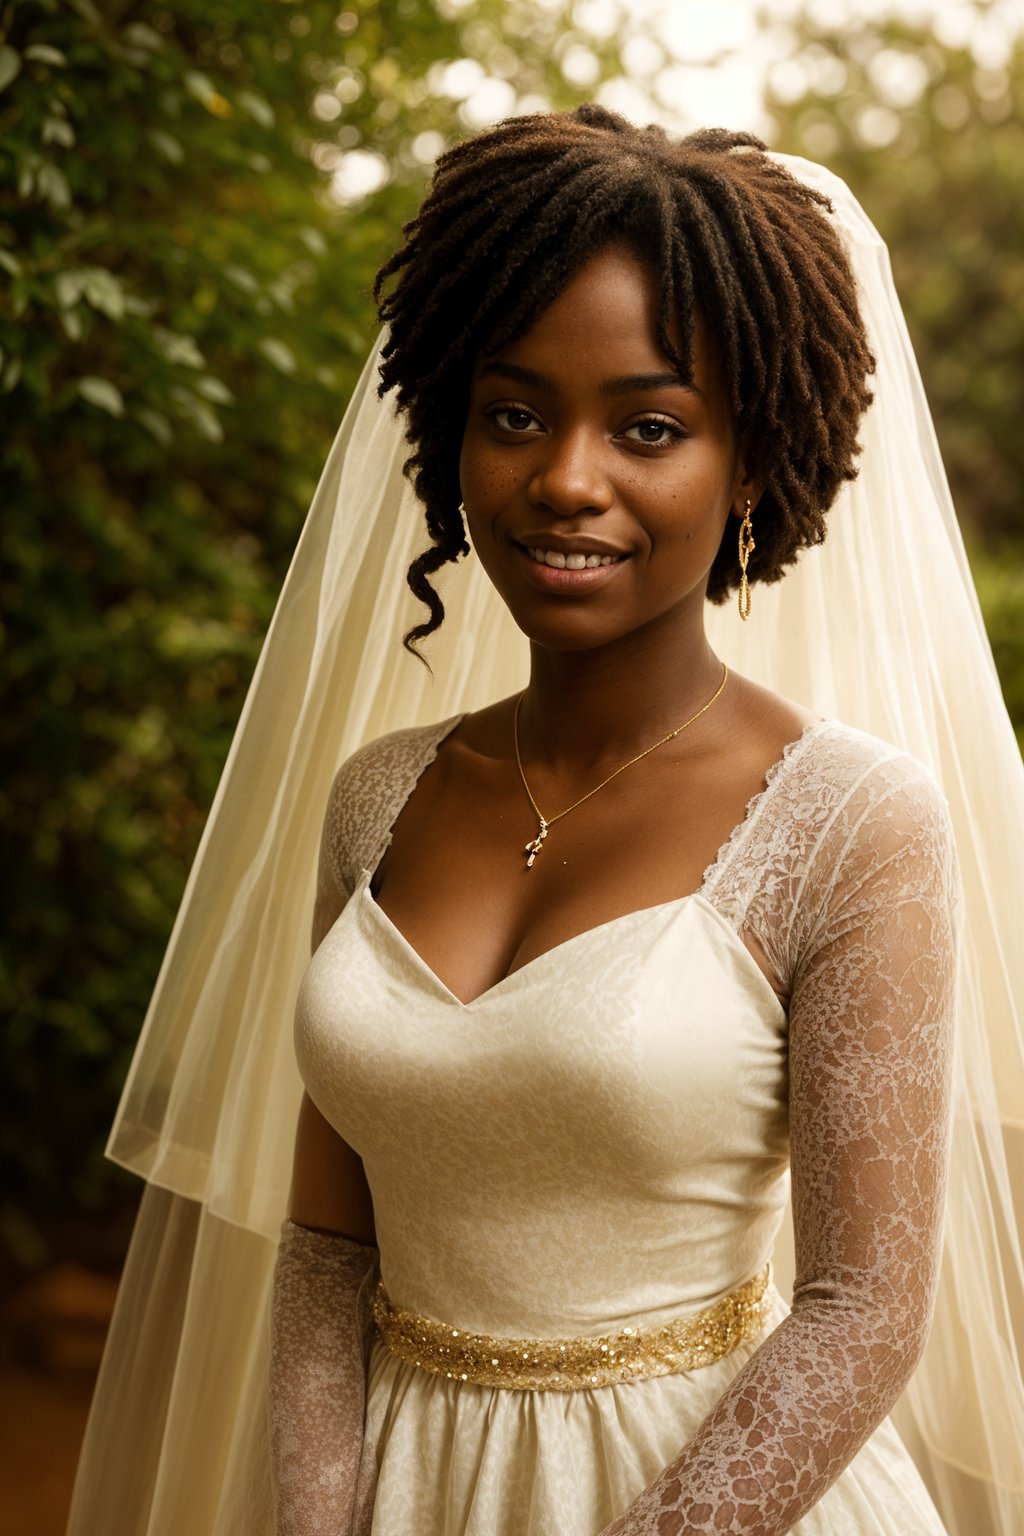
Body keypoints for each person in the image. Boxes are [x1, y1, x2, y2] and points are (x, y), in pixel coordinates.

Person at [68, 109, 1024, 1536]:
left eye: (649, 426)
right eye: (515, 413)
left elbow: (862, 1310)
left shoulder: (852, 822)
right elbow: (331, 1247)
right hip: (405, 1490)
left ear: (752, 458)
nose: (566, 477)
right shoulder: (379, 798)